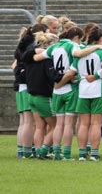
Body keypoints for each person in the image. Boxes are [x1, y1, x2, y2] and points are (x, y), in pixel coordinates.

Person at [32, 26, 102, 160]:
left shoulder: (54, 47)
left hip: (57, 90)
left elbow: (36, 58)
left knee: (59, 123)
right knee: (69, 124)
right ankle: (66, 153)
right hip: (70, 87)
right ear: (77, 37)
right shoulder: (72, 46)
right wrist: (97, 47)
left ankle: (56, 152)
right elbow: (79, 54)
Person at [56, 27, 102, 161]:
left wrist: (58, 84)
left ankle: (81, 154)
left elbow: (71, 72)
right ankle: (94, 153)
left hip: (82, 91)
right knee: (96, 124)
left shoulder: (81, 53)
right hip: (98, 91)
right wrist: (97, 75)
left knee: (84, 124)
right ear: (101, 39)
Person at [21, 31, 59, 159]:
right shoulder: (47, 59)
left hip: (31, 95)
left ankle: (38, 151)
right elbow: (51, 77)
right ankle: (43, 150)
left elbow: (24, 56)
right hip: (43, 96)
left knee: (40, 126)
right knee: (56, 125)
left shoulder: (30, 57)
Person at [12, 24, 48, 158]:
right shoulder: (31, 48)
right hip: (27, 85)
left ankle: (22, 150)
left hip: (20, 85)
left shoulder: (22, 45)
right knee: (29, 121)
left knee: (24, 121)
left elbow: (14, 65)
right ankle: (27, 151)